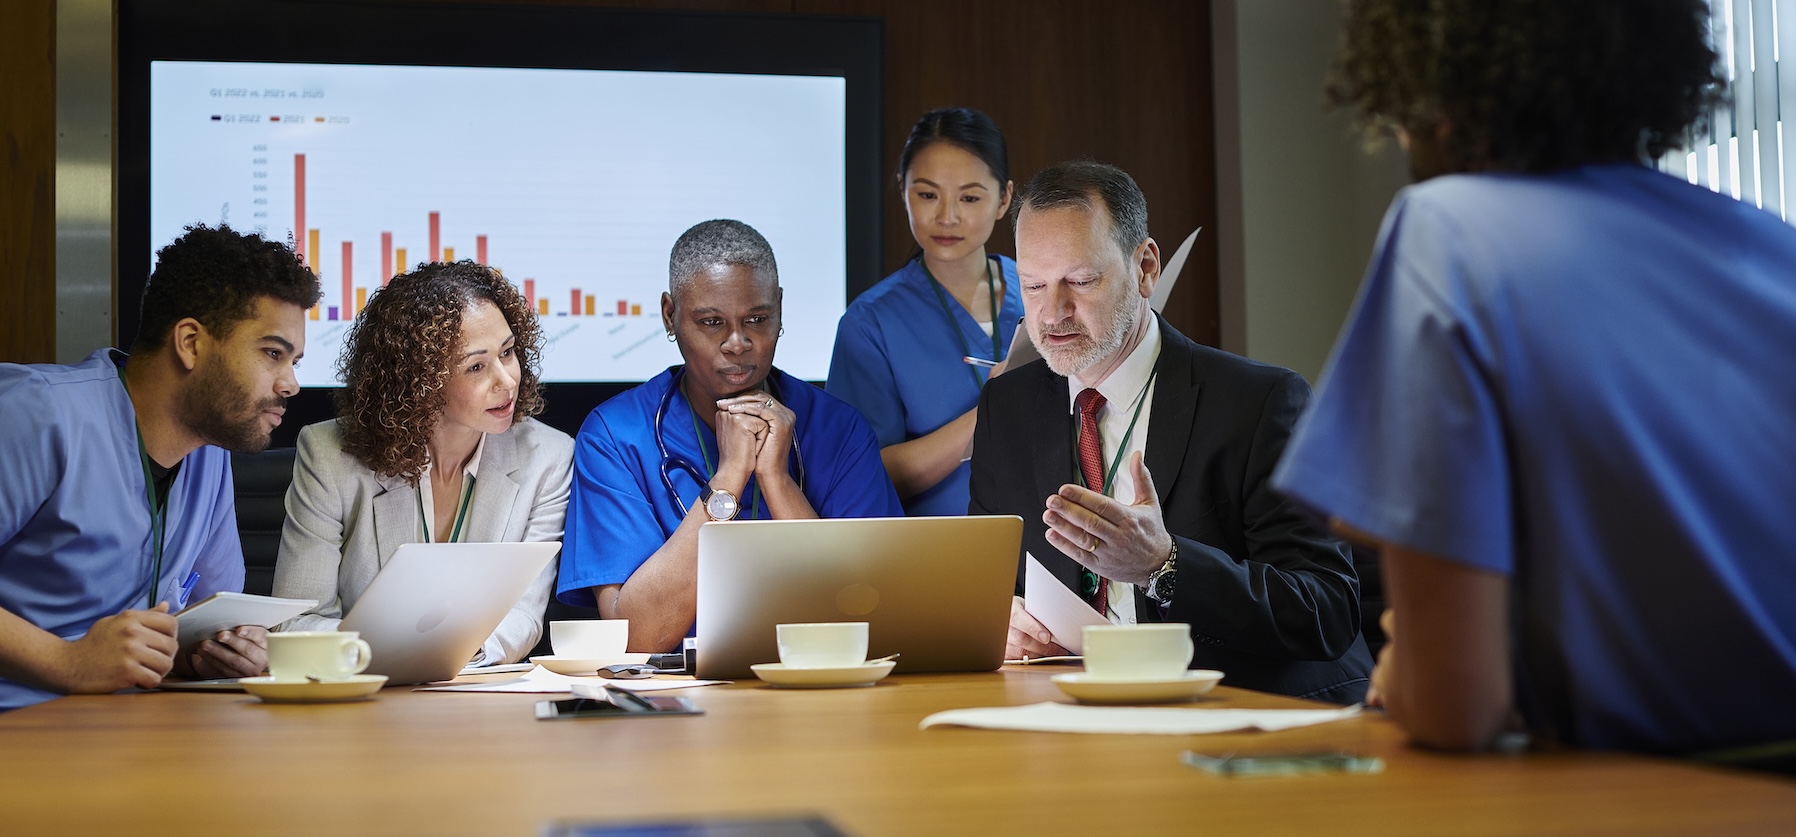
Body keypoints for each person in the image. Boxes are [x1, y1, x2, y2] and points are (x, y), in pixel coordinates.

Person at [1270, 0, 1796, 770]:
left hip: (1623, 802)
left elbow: (1457, 705)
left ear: (1429, 93)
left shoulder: (1446, 235)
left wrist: (1411, 670)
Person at [0, 223, 321, 745]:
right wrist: (65, 662)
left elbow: (199, 624)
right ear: (190, 343)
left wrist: (213, 650)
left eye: (294, 362)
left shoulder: (207, 458)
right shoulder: (35, 411)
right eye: (273, 353)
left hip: (104, 740)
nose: (290, 383)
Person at [972, 161, 1371, 704]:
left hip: (1238, 712)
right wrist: (1001, 618)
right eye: (1033, 285)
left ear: (1146, 268)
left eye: (1081, 281)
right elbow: (989, 583)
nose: (1052, 313)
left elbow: (1326, 610)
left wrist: (1165, 566)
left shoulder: (1261, 403)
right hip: (1069, 713)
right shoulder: (1007, 407)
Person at [557, 220, 901, 653]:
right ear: (670, 315)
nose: (738, 343)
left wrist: (777, 481)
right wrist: (730, 477)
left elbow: (868, 614)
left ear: (779, 308)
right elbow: (637, 638)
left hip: (812, 685)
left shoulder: (841, 430)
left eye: (757, 319)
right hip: (676, 699)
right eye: (712, 322)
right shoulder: (614, 436)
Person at [274, 261, 573, 665]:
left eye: (508, 352)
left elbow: (522, 617)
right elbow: (296, 623)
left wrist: (460, 651)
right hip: (361, 696)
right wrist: (400, 651)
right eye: (476, 366)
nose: (507, 380)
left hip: (475, 694)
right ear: (418, 380)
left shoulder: (548, 457)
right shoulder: (329, 454)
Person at [827, 107, 1023, 515]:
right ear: (902, 189)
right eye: (928, 194)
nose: (947, 216)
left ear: (1004, 199)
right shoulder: (870, 324)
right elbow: (860, 474)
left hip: (1056, 542)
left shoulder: (1042, 291)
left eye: (969, 197)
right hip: (938, 554)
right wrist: (986, 414)